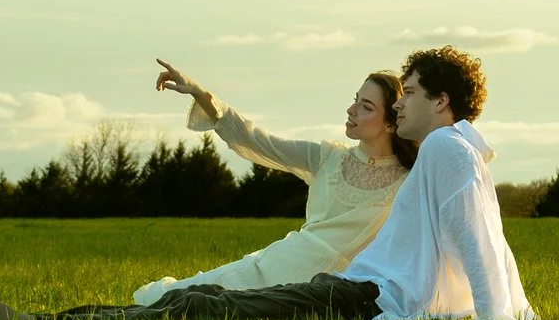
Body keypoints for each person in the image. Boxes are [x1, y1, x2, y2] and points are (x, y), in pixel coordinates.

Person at [0, 46, 537, 320]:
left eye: (408, 94)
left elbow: (480, 247)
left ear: (438, 103)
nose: (402, 101)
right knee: (194, 300)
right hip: (336, 285)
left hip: (354, 296)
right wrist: (516, 316)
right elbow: (488, 245)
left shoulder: (439, 153)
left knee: (196, 308)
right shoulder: (451, 154)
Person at [128, 60, 411, 305]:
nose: (351, 110)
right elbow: (256, 140)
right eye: (355, 99)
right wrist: (198, 91)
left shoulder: (409, 181)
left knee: (223, 312)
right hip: (278, 263)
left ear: (390, 123)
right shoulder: (328, 157)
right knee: (180, 298)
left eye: (366, 106)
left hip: (328, 288)